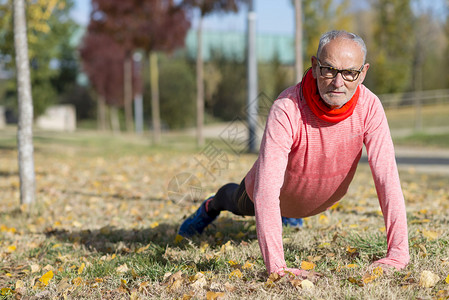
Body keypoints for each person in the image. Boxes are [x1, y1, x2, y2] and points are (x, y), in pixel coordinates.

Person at [178, 30, 409, 278]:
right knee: (232, 199)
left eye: (349, 73)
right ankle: (210, 206)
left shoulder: (370, 107)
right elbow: (266, 189)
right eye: (329, 69)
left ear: (362, 73)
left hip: (320, 198)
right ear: (315, 65)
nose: (338, 82)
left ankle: (287, 217)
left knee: (286, 209)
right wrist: (278, 268)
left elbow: (387, 178)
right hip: (268, 196)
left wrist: (398, 253)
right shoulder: (287, 108)